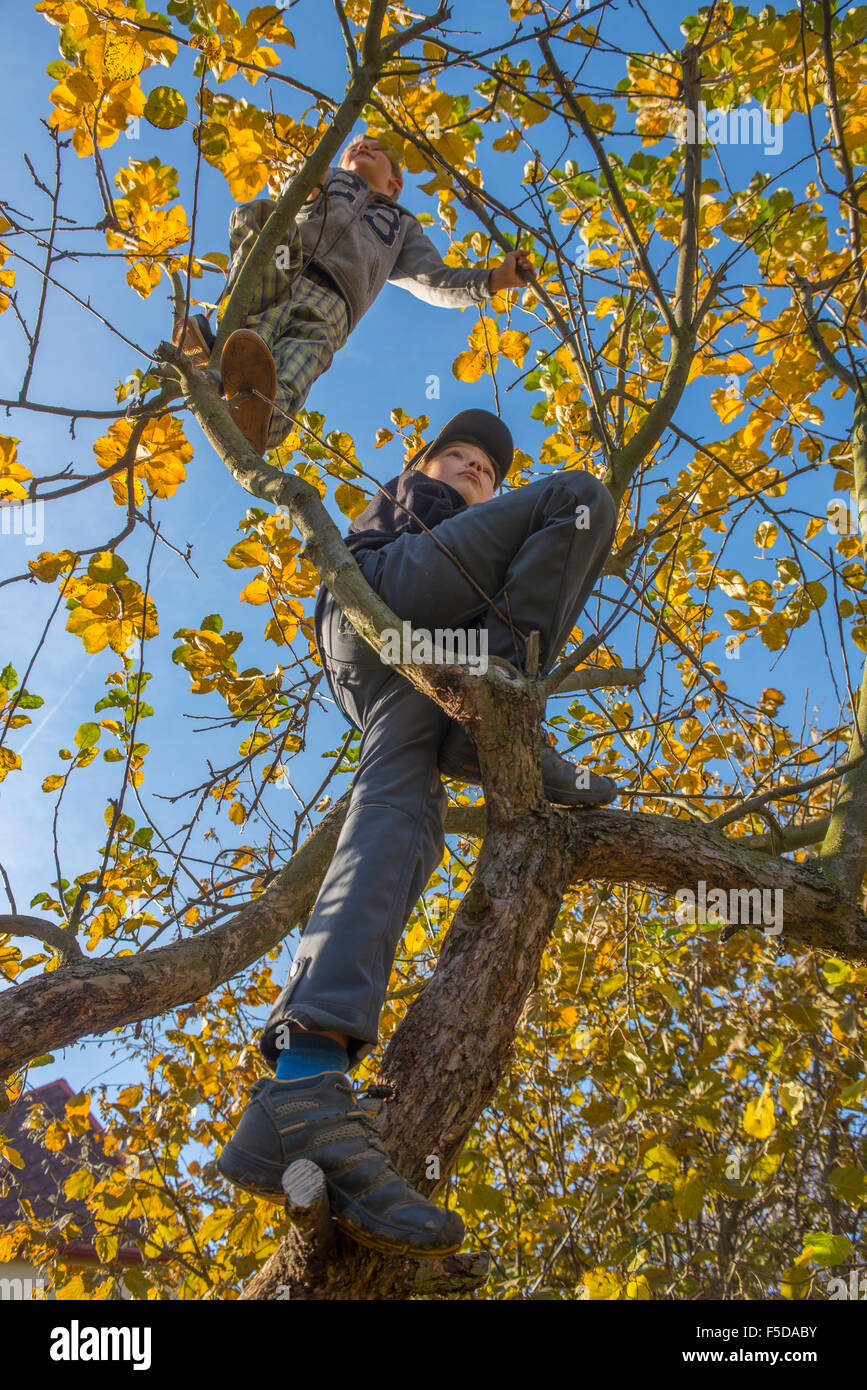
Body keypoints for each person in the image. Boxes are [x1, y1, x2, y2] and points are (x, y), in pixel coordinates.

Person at [216, 407, 619, 1259]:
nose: (475, 469)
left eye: (487, 468)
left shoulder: (466, 524)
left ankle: (305, 1080)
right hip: (380, 599)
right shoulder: (410, 505)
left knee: (403, 815)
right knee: (580, 499)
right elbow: (488, 541)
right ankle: (500, 699)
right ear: (424, 464)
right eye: (460, 457)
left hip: (415, 671)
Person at [176, 133, 532, 454]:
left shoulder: (402, 223)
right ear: (338, 161)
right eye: (355, 146)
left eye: (376, 150)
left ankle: (265, 416)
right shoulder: (328, 178)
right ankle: (222, 350)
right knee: (259, 223)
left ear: (395, 184)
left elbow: (432, 278)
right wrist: (308, 189)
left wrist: (494, 279)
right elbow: (290, 204)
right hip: (288, 263)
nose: (364, 147)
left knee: (303, 352)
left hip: (336, 299)